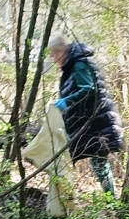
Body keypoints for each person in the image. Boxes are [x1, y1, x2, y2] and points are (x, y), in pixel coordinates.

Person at [48, 35, 124, 197]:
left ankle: (112, 200)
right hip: (94, 121)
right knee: (97, 160)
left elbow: (89, 89)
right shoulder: (75, 64)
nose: (52, 58)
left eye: (54, 53)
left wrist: (67, 102)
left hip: (98, 121)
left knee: (98, 160)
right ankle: (111, 199)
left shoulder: (79, 64)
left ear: (62, 51)